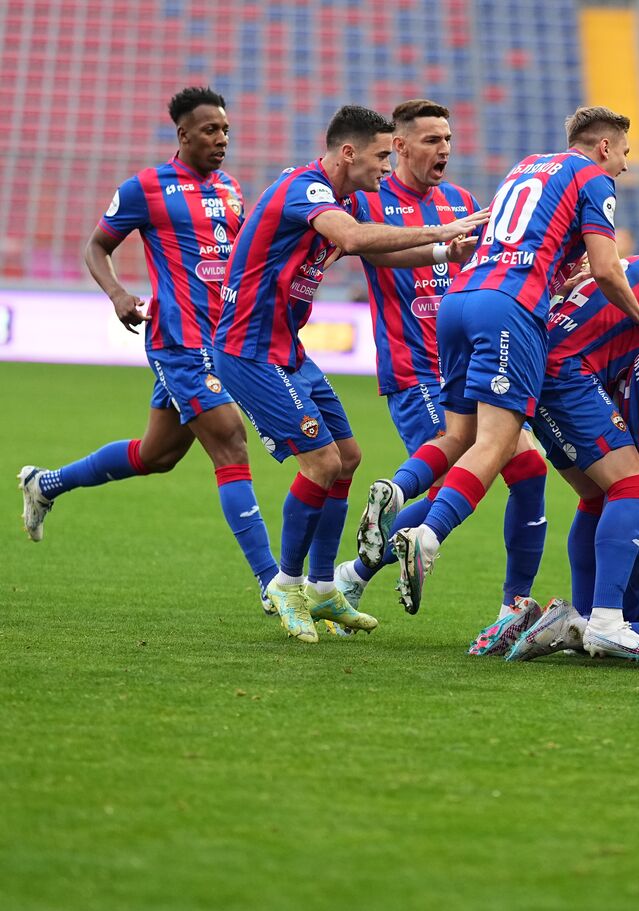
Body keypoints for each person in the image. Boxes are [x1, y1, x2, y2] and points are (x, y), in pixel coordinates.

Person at [381, 106, 639, 660]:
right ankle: (429, 535)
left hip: (458, 302)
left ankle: (377, 529)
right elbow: (609, 268)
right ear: (605, 148)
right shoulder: (593, 177)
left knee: (463, 438)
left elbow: (524, 242)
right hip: (509, 309)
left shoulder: (528, 167)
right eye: (626, 155)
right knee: (498, 446)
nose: (626, 169)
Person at [211, 104, 484, 643]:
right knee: (322, 462)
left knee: (349, 459)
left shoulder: (342, 198)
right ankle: (285, 586)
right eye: (383, 155)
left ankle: (322, 589)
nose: (388, 167)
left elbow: (378, 258)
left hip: (286, 350)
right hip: (249, 352)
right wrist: (444, 226)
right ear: (349, 153)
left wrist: (441, 251)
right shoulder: (305, 189)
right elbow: (357, 240)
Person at [18, 87, 279, 610]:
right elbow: (96, 245)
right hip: (178, 341)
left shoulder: (230, 188)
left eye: (225, 130)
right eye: (210, 130)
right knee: (230, 443)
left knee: (156, 455)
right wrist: (117, 294)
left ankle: (44, 483)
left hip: (222, 340)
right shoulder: (145, 188)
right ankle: (273, 584)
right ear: (183, 135)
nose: (221, 139)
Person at [332, 99, 549, 633]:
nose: (444, 149)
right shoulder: (374, 199)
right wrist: (439, 251)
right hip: (415, 369)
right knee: (454, 479)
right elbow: (372, 254)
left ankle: (511, 606)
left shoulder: (461, 201)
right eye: (431, 140)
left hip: (472, 364)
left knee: (529, 470)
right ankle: (354, 575)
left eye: (448, 139)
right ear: (400, 146)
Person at [465, 252, 639, 659]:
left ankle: (584, 618)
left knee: (594, 495)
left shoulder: (632, 328)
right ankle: (589, 622)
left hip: (536, 372)